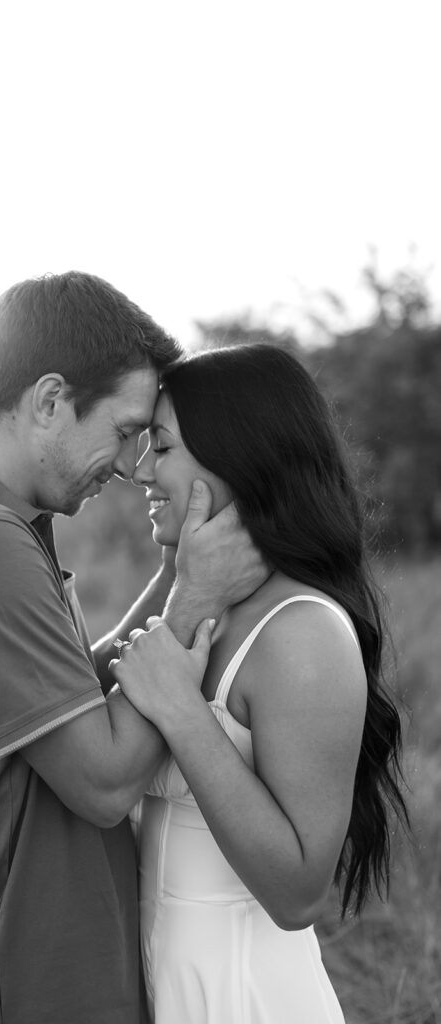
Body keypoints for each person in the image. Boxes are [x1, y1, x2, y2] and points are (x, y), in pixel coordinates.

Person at [0, 272, 266, 1024]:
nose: (126, 466)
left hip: (24, 961)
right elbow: (103, 781)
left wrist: (179, 575)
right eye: (121, 431)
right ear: (49, 400)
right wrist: (198, 599)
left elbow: (78, 690)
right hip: (23, 973)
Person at [110, 343, 409, 1024]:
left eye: (160, 446)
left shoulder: (301, 634)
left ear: (231, 457)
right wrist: (178, 585)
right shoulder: (200, 601)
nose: (139, 469)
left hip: (244, 1000)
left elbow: (298, 893)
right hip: (160, 988)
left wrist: (183, 716)